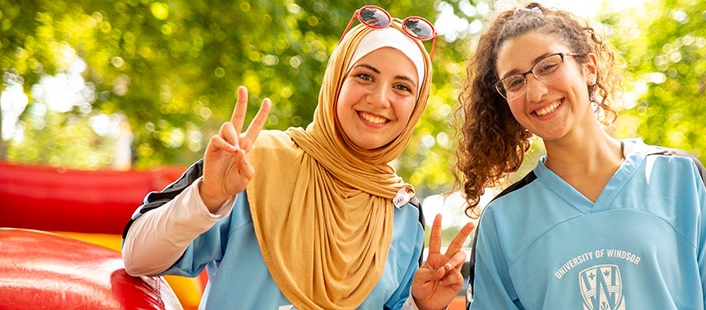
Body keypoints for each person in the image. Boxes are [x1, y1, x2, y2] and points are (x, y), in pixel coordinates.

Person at [122, 5, 475, 310]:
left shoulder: (401, 211)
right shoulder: (253, 162)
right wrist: (208, 196)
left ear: (416, 106)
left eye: (402, 87)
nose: (380, 99)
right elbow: (137, 257)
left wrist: (422, 304)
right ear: (336, 81)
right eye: (365, 76)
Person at [454, 3, 706, 309]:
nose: (535, 92)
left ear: (588, 68)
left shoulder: (681, 177)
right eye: (515, 81)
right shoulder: (502, 220)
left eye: (548, 66)